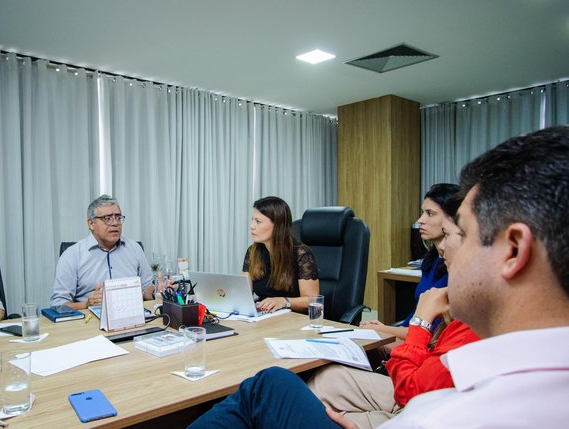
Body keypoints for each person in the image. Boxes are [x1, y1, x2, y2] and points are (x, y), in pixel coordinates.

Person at [187, 126, 569, 429]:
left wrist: (417, 323)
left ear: (514, 250)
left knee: (269, 384)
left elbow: (416, 393)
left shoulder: (444, 415)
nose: (448, 249)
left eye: (461, 234)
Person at [305, 193, 478, 429]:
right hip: (418, 375)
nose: (420, 221)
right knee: (325, 378)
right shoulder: (436, 265)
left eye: (448, 234)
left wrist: (418, 325)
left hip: (418, 399)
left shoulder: (475, 315)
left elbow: (415, 390)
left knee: (280, 389)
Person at [360, 183, 459, 341]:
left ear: (452, 219)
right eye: (422, 213)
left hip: (424, 342)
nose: (420, 220)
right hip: (407, 334)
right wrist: (386, 329)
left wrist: (382, 329)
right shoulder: (431, 260)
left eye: (430, 214)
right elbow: (415, 321)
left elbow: (431, 334)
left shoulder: (455, 267)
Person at [51, 194, 154, 309]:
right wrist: (86, 304)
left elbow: (146, 288)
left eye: (118, 217)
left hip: (131, 315)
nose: (115, 223)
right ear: (91, 224)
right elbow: (58, 304)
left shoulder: (134, 248)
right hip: (89, 321)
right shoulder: (72, 255)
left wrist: (157, 291)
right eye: (107, 218)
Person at [243, 196, 319, 313]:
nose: (252, 226)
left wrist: (284, 301)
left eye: (258, 221)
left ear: (278, 225)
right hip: (265, 316)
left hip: (293, 319)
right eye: (252, 220)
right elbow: (244, 294)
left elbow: (313, 301)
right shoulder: (252, 252)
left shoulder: (301, 254)